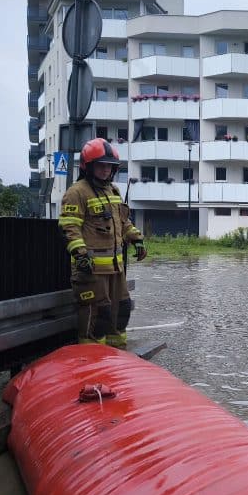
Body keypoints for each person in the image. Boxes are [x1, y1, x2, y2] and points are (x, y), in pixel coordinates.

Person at [59, 138, 145, 348]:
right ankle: (91, 361)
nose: (106, 170)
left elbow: (123, 222)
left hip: (116, 268)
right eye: (101, 165)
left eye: (109, 166)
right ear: (88, 166)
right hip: (92, 269)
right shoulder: (77, 192)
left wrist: (137, 239)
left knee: (121, 311)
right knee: (98, 316)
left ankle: (117, 359)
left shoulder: (113, 191)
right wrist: (80, 253)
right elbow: (69, 227)